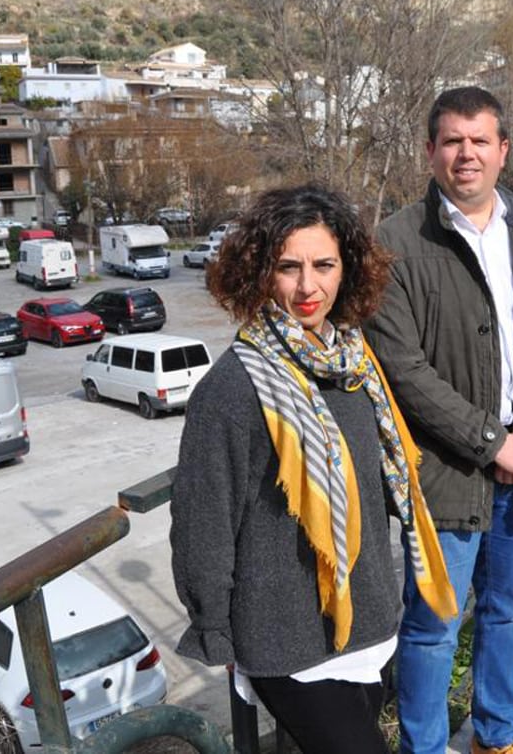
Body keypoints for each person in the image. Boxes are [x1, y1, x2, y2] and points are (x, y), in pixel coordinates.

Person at [169, 186, 457, 754]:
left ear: (346, 270)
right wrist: (215, 629)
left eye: (324, 265)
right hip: (285, 640)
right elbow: (203, 525)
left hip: (366, 620)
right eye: (288, 267)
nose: (308, 287)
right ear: (258, 274)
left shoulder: (354, 364)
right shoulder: (231, 388)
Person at [366, 86, 513, 754]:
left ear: (503, 150)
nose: (467, 154)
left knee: (509, 610)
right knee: (434, 627)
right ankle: (425, 746)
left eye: (480, 140)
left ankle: (498, 732)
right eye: (453, 141)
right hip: (446, 477)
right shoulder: (396, 242)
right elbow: (401, 368)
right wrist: (494, 443)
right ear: (430, 150)